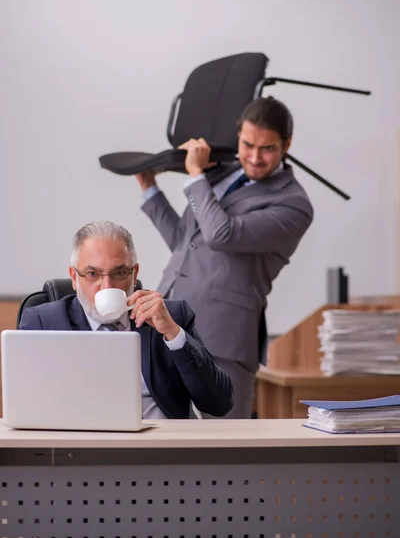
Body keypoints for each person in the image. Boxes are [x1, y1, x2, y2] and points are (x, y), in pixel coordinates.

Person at [137, 96, 314, 418]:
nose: (255, 157)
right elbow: (183, 241)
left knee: (225, 446)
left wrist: (194, 175)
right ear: (238, 137)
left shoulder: (294, 204)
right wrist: (150, 189)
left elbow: (222, 235)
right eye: (247, 145)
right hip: (168, 326)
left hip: (224, 339)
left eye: (267, 149)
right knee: (163, 443)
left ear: (286, 144)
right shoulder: (221, 175)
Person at [19, 221, 233, 419]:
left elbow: (219, 403)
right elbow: (26, 407)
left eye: (119, 272)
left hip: (162, 449)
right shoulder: (43, 322)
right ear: (74, 278)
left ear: (134, 274)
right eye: (93, 274)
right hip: (81, 449)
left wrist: (173, 334)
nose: (108, 286)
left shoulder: (171, 316)